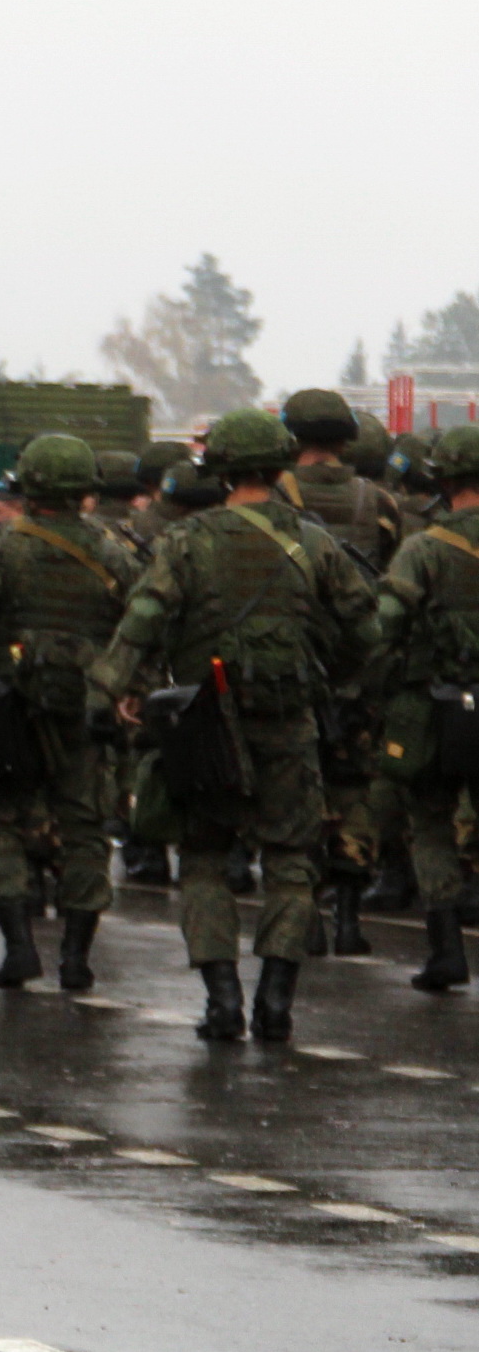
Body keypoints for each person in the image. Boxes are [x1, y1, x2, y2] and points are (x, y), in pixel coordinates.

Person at [91, 409, 377, 1042]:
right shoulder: (315, 542)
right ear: (280, 465)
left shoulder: (186, 542)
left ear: (217, 470)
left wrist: (116, 687)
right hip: (288, 720)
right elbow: (366, 626)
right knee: (291, 861)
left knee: (203, 858)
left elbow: (143, 618)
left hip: (204, 723)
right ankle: (277, 1000)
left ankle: (222, 1001)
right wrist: (327, 676)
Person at [0, 435, 133, 990]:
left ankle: (19, 949)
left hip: (7, 711)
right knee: (85, 830)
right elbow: (137, 631)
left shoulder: (4, 550)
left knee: (4, 823)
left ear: (29, 486)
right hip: (85, 709)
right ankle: (77, 958)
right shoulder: (113, 553)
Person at [279, 387, 405, 952]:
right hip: (359, 666)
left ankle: (303, 916)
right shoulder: (377, 502)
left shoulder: (273, 496)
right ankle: (350, 918)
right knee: (354, 786)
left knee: (294, 785)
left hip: (294, 663)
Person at [371, 423, 479, 993]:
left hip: (437, 709)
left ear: (443, 479)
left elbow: (384, 626)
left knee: (432, 824)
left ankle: (445, 953)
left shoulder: (423, 548)